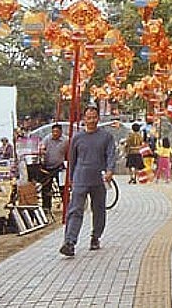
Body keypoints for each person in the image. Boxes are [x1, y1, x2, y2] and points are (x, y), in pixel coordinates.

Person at [59, 106, 116, 256]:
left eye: (94, 117)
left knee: (98, 210)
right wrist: (71, 179)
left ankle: (95, 236)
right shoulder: (77, 138)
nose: (91, 120)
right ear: (84, 119)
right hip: (80, 179)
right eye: (88, 117)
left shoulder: (106, 137)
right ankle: (70, 242)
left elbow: (111, 155)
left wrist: (110, 170)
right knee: (75, 210)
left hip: (99, 179)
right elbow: (72, 159)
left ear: (98, 118)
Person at [35, 124, 69, 214]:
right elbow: (41, 146)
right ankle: (46, 207)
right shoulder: (47, 138)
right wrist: (42, 150)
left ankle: (67, 206)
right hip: (47, 167)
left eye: (57, 132)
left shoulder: (65, 140)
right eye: (53, 131)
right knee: (46, 188)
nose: (54, 133)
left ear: (61, 132)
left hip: (59, 167)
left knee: (62, 187)